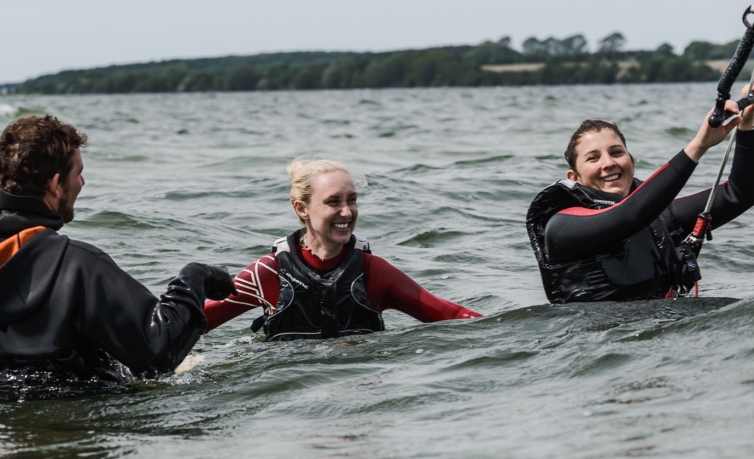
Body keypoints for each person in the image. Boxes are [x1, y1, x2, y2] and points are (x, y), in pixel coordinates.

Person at [0, 115, 235, 383]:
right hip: (75, 413)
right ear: (55, 183)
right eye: (78, 172)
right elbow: (159, 353)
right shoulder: (81, 265)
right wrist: (194, 279)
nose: (82, 182)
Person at [203, 159, 481, 341]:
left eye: (352, 200)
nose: (347, 212)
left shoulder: (373, 272)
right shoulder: (268, 272)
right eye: (333, 202)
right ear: (302, 208)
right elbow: (193, 323)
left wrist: (518, 330)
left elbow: (452, 317)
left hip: (358, 384)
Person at [526, 92, 754, 303]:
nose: (608, 163)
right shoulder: (561, 227)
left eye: (616, 152)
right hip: (598, 339)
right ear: (574, 177)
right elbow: (630, 216)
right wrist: (698, 146)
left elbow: (740, 193)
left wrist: (747, 126)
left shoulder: (663, 217)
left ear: (632, 163)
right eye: (593, 158)